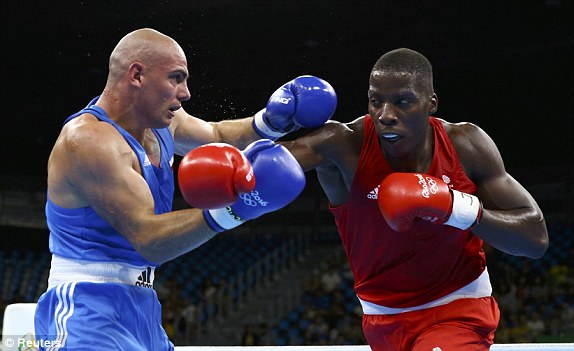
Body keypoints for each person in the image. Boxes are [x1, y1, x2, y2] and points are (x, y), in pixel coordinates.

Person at [34, 28, 337, 350]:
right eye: (176, 78)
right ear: (137, 75)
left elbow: (217, 132)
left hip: (141, 304)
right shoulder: (89, 141)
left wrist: (272, 121)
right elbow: (149, 239)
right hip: (86, 306)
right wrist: (237, 209)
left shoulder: (162, 123)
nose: (185, 92)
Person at [282, 48, 549, 350]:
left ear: (430, 103)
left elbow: (535, 238)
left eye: (402, 102)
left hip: (458, 310)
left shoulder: (466, 145)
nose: (386, 115)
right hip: (381, 322)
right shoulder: (344, 145)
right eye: (376, 101)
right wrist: (269, 123)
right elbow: (256, 170)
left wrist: (454, 207)